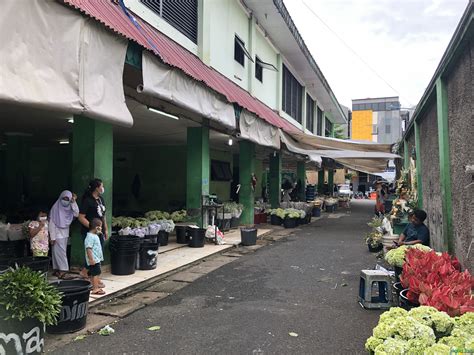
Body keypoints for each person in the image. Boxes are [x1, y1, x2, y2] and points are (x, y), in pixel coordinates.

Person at [78, 178, 108, 281]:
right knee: (91, 253)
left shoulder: (101, 199)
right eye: (101, 186)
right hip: (90, 232)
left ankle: (86, 272)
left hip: (99, 232)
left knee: (99, 252)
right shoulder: (87, 200)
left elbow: (103, 216)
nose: (103, 188)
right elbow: (81, 217)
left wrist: (105, 229)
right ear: (96, 188)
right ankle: (93, 277)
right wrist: (92, 228)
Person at [49, 190, 79, 279]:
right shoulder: (55, 208)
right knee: (60, 253)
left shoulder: (69, 207)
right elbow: (51, 223)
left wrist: (73, 202)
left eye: (67, 199)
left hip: (64, 234)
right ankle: (63, 271)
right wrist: (52, 237)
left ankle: (57, 270)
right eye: (64, 198)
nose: (65, 200)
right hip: (56, 235)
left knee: (58, 252)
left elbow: (76, 213)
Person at [85, 218, 105, 295]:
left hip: (96, 259)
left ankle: (93, 286)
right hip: (94, 259)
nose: (101, 229)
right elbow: (88, 248)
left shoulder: (94, 235)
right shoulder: (90, 237)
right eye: (101, 227)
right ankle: (96, 289)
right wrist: (91, 259)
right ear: (97, 227)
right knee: (95, 274)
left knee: (94, 273)